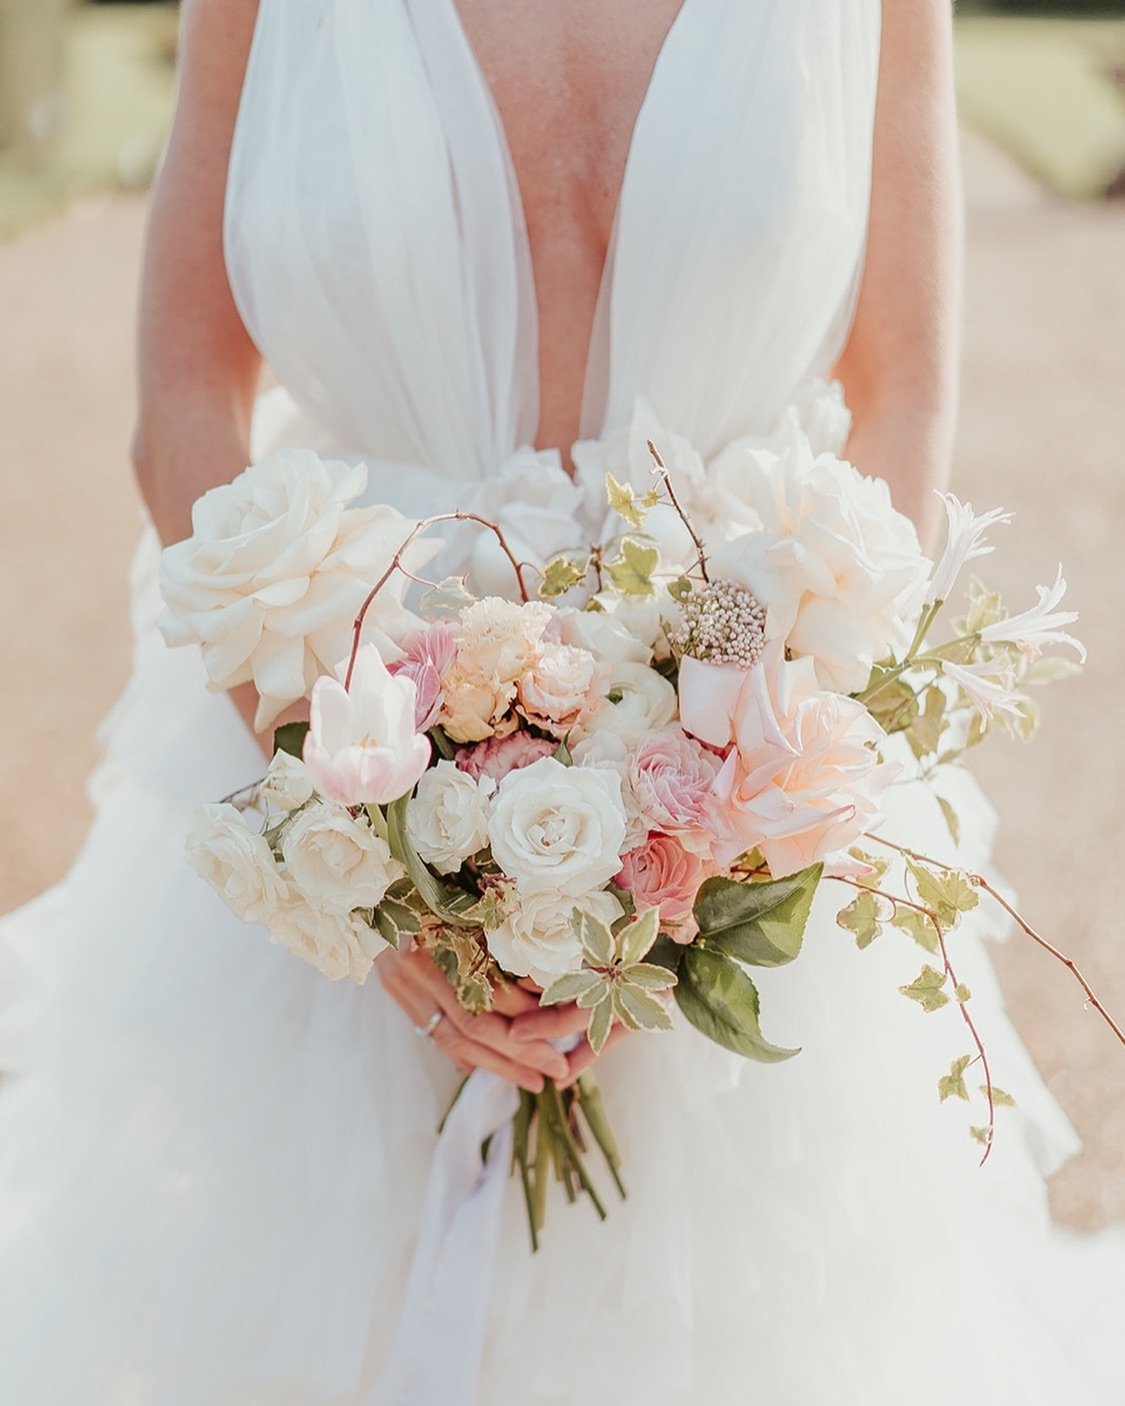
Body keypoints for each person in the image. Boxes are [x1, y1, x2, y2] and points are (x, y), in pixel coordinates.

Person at [0, 1, 1122, 1402]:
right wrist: (354, 823)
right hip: (335, 769)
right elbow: (181, 397)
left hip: (741, 788)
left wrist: (709, 821)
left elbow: (900, 392)